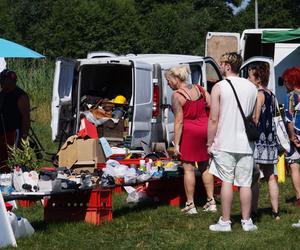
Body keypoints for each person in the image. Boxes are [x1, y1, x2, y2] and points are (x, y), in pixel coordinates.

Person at [208, 52, 258, 231]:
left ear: (228, 66)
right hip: (246, 142)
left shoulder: (219, 87)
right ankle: (246, 221)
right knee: (245, 183)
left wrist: (209, 142)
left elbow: (213, 119)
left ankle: (225, 221)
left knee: (227, 181)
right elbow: (253, 116)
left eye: (221, 64)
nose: (220, 67)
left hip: (225, 141)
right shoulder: (252, 87)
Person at [165, 65, 216, 215]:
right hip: (205, 130)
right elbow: (212, 106)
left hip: (190, 132)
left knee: (188, 169)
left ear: (175, 79)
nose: (168, 84)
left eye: (168, 81)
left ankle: (190, 204)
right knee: (205, 167)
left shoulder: (177, 96)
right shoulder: (200, 89)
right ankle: (211, 201)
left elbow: (179, 122)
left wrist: (176, 144)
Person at [247, 62, 280, 220]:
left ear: (258, 78)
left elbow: (255, 118)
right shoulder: (271, 94)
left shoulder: (258, 94)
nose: (248, 79)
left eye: (250, 76)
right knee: (271, 176)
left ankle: (253, 211)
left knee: (254, 177)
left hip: (258, 141)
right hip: (270, 140)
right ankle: (275, 212)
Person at [0, 69, 30, 172]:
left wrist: (24, 135)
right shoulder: (2, 94)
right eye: (1, 79)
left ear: (12, 81)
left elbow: (26, 116)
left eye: (4, 80)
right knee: (3, 159)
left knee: (13, 157)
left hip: (14, 132)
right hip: (2, 132)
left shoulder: (20, 95)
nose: (1, 82)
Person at [282, 67, 300, 207]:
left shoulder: (291, 97)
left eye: (286, 80)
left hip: (297, 134)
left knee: (294, 165)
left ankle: (299, 197)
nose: (285, 83)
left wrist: (292, 136)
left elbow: (289, 119)